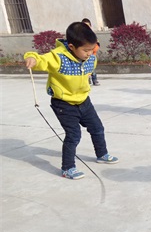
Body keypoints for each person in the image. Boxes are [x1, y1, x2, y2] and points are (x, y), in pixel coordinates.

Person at [24, 22, 119, 180]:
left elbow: (88, 68)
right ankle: (68, 168)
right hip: (63, 104)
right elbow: (41, 59)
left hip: (84, 101)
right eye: (86, 50)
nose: (90, 53)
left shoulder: (90, 58)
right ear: (72, 46)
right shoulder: (58, 57)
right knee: (74, 135)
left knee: (97, 128)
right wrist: (32, 58)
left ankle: (102, 154)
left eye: (92, 49)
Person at [81, 18, 100, 86]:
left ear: (90, 26)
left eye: (88, 25)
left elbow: (97, 44)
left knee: (92, 67)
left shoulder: (92, 35)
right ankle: (86, 80)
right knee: (84, 67)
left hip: (92, 54)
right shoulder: (80, 35)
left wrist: (92, 50)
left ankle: (94, 79)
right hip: (83, 54)